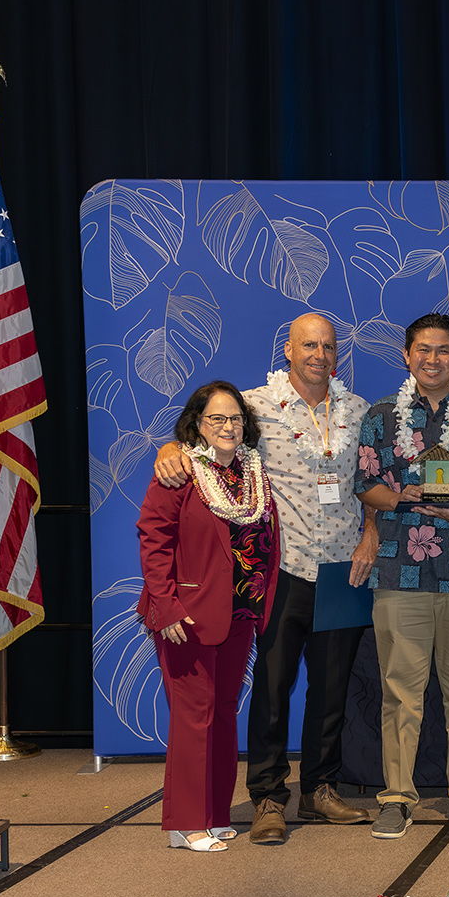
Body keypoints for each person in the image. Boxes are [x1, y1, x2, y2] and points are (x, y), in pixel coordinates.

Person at [152, 313, 377, 846]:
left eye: (328, 346)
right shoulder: (253, 406)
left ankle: (321, 789)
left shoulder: (359, 410)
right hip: (281, 569)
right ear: (288, 351)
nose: (319, 354)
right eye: (308, 345)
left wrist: (370, 531)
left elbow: (373, 480)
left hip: (344, 566)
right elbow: (203, 437)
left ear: (337, 353)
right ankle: (269, 797)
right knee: (273, 688)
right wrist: (170, 449)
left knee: (331, 688)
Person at [354, 312, 449, 840]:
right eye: (423, 350)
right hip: (399, 571)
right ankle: (396, 796)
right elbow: (365, 482)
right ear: (406, 356)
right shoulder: (380, 415)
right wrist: (401, 496)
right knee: (401, 693)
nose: (433, 359)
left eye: (444, 351)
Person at [138, 381, 279, 852]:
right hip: (188, 615)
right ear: (197, 424)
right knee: (192, 716)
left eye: (235, 417)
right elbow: (153, 539)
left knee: (222, 715)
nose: (228, 426)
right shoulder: (179, 472)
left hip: (240, 611)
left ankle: (215, 813)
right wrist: (165, 606)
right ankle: (185, 821)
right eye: (217, 418)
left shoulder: (252, 473)